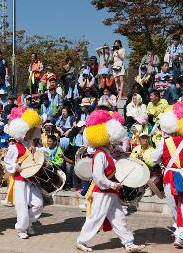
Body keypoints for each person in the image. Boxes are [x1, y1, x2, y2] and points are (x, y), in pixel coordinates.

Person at [76, 110, 145, 252]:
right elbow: (98, 176)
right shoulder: (100, 154)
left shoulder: (107, 154)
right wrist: (111, 184)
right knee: (96, 217)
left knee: (119, 218)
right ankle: (81, 240)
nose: (114, 142)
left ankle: (129, 243)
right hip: (102, 192)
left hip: (110, 192)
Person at [3, 107, 43, 239]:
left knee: (38, 204)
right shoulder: (14, 147)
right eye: (29, 130)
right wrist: (16, 167)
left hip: (31, 180)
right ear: (22, 130)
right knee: (22, 207)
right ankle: (21, 228)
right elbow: (8, 161)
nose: (32, 132)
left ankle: (28, 222)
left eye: (32, 130)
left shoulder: (30, 146)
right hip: (20, 181)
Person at [151, 101, 183, 248]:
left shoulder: (164, 143)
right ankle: (179, 232)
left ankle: (180, 235)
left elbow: (153, 159)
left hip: (170, 178)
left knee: (175, 207)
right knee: (180, 207)